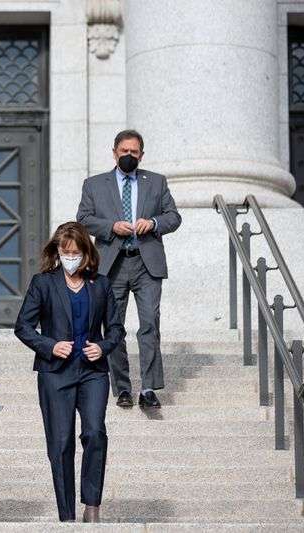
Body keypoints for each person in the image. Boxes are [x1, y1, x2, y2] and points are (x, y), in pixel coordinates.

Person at [15, 221, 125, 523]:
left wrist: (103, 347)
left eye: (76, 252)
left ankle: (92, 505)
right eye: (65, 253)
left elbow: (116, 328)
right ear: (57, 253)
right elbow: (23, 327)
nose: (71, 258)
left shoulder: (100, 284)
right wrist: (49, 346)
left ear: (86, 253)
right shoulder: (43, 283)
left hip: (92, 372)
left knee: (94, 432)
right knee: (61, 442)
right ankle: (67, 515)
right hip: (55, 373)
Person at [76, 129, 181, 409]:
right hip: (112, 265)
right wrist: (110, 227)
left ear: (141, 155)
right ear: (114, 152)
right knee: (114, 327)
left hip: (147, 263)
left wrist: (155, 223)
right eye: (124, 151)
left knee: (149, 325)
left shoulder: (156, 182)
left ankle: (148, 388)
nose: (129, 156)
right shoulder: (94, 184)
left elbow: (173, 216)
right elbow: (83, 219)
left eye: (134, 152)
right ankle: (122, 387)